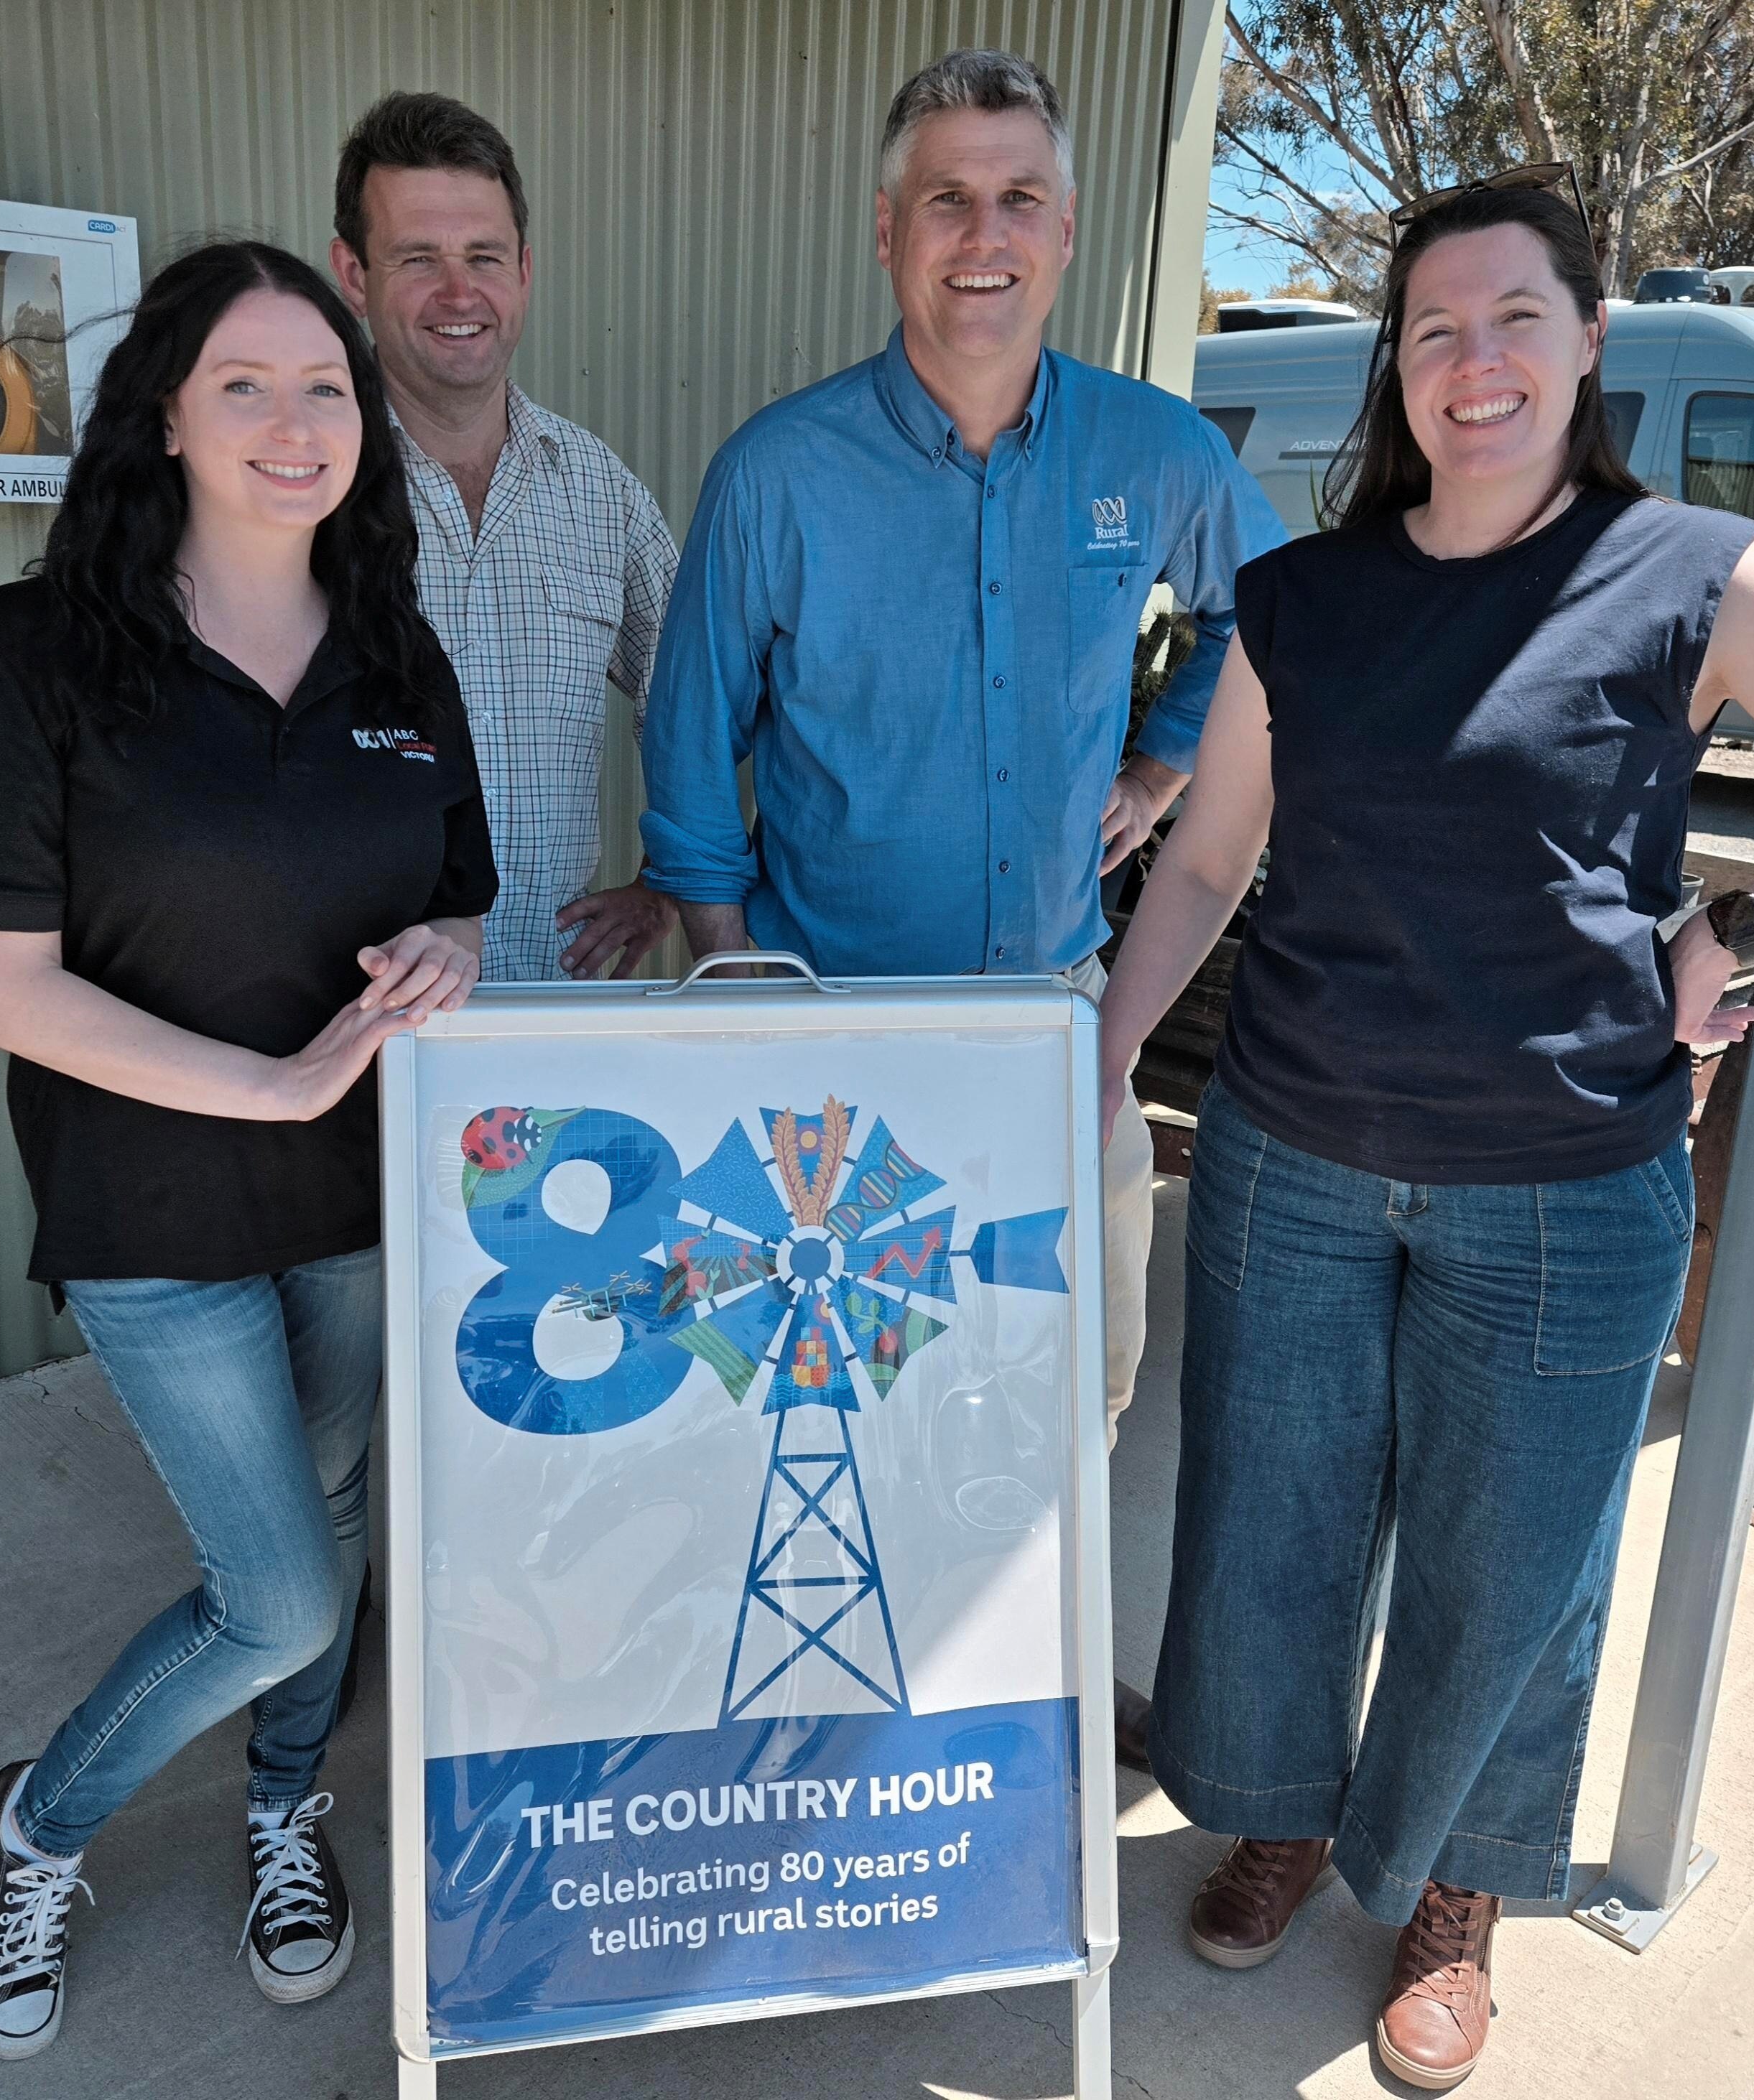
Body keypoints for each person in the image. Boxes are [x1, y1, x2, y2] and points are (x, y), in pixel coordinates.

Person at [1098, 174, 1754, 2091]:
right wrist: (1102, 1063)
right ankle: (1280, 1813)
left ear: (1587, 341)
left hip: (1560, 1182)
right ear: (1396, 362)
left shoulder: (1685, 572)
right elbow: (1204, 861)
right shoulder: (1304, 597)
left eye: (1515, 318)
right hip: (1289, 1158)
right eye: (1434, 327)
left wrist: (1745, 927)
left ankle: (1455, 1885)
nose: (1474, 361)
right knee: (1267, 1527)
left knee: (1512, 1564)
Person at [638, 48, 1284, 1760]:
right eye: (946, 199)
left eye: (1017, 200)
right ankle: (822, 1727)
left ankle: (1014, 1688)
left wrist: (1165, 754)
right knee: (829, 1401)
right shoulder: (778, 474)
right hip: (827, 1029)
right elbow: (691, 745)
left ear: (1065, 232)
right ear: (887, 232)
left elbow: (1269, 612)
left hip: (1061, 1018)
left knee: (1075, 1381)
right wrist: (732, 982)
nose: (981, 235)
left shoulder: (1154, 453)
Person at [0, 241, 496, 2059]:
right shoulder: (36, 653)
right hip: (150, 1209)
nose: (294, 422)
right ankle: (40, 1819)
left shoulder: (396, 652)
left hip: (359, 1196)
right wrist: (276, 1083)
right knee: (282, 1590)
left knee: (331, 1514)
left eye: (325, 387)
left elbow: (457, 890)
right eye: (245, 383)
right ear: (165, 414)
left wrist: (449, 949)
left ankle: (282, 1802)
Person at [331, 90, 679, 983]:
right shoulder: (306, 483)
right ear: (352, 274)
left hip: (547, 1009)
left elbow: (697, 702)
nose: (459, 293)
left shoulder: (600, 492)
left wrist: (667, 880)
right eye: (417, 258)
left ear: (523, 270)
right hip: (352, 1012)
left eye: (483, 256)